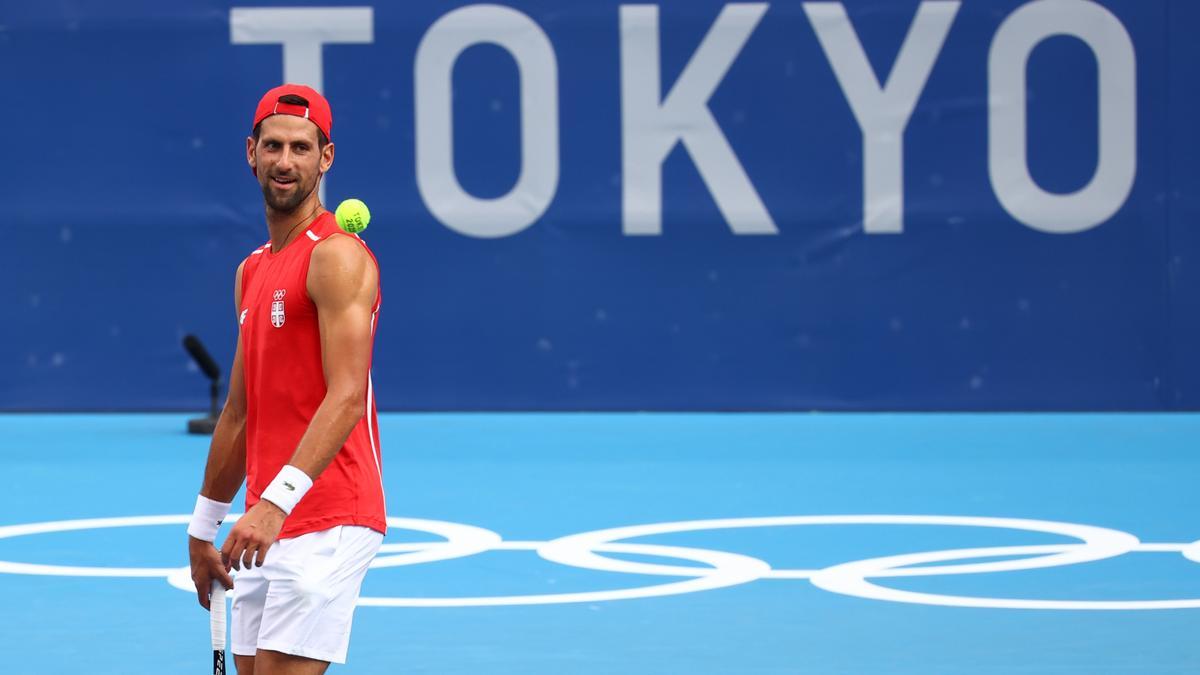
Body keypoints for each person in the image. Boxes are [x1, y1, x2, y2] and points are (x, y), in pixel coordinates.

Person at [186, 83, 386, 675]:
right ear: (251, 152)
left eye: (301, 148)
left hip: (330, 515)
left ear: (325, 159)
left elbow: (347, 396)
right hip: (261, 522)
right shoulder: (252, 270)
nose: (284, 161)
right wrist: (203, 529)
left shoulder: (337, 257)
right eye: (272, 146)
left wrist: (275, 503)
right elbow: (239, 413)